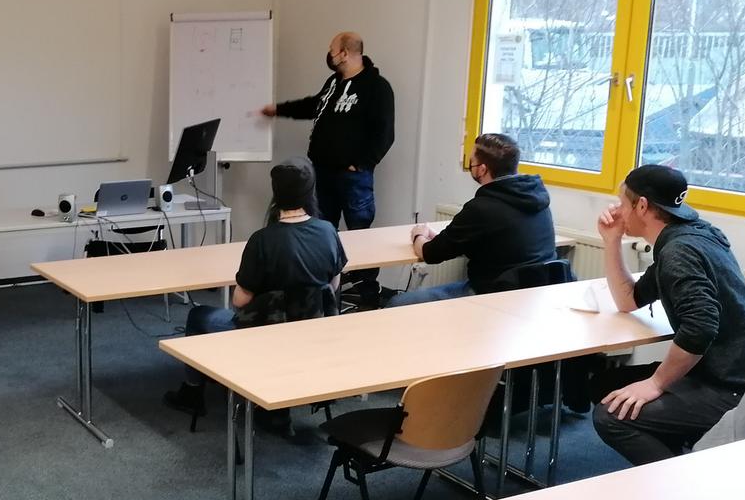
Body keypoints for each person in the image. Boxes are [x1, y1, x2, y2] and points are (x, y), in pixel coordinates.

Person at [591, 165, 745, 465]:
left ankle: (681, 481)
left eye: (623, 203)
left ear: (642, 206)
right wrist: (611, 240)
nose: (618, 211)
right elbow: (628, 300)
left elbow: (700, 327)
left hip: (740, 388)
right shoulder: (691, 234)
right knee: (607, 384)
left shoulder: (679, 252)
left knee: (611, 416)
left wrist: (656, 383)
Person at [163, 157, 347, 417]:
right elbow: (333, 285)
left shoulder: (262, 240)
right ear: (309, 193)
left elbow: (240, 301)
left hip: (264, 334)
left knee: (198, 315)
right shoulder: (328, 231)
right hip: (312, 334)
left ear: (276, 194)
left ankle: (192, 394)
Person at [261, 31, 393, 304]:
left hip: (354, 177)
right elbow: (314, 105)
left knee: (360, 234)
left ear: (345, 53)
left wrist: (361, 164)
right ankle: (323, 293)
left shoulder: (376, 87)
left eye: (332, 49)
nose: (329, 54)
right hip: (322, 173)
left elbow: (385, 134)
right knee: (321, 232)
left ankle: (368, 295)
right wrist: (279, 110)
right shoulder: (333, 82)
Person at [390, 132, 556, 306]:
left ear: (482, 169)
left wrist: (419, 235)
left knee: (397, 304)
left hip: (495, 296)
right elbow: (497, 243)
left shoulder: (481, 208)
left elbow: (429, 253)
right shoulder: (537, 199)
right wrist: (441, 239)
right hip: (536, 297)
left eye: (472, 162)